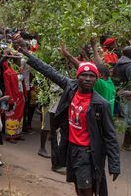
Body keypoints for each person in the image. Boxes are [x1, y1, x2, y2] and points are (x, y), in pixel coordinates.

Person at [15, 36, 120, 196]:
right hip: (71, 148)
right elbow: (49, 71)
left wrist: (114, 164)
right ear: (77, 77)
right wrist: (29, 55)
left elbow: (110, 136)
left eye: (92, 76)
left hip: (88, 152)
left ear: (96, 79)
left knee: (87, 189)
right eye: (84, 76)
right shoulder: (70, 87)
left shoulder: (101, 104)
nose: (87, 79)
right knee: (79, 186)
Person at [113, 46, 131, 151]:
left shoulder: (119, 64)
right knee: (130, 119)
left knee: (129, 118)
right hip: (129, 95)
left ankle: (128, 142)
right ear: (129, 54)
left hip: (121, 94)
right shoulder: (129, 66)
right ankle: (126, 143)